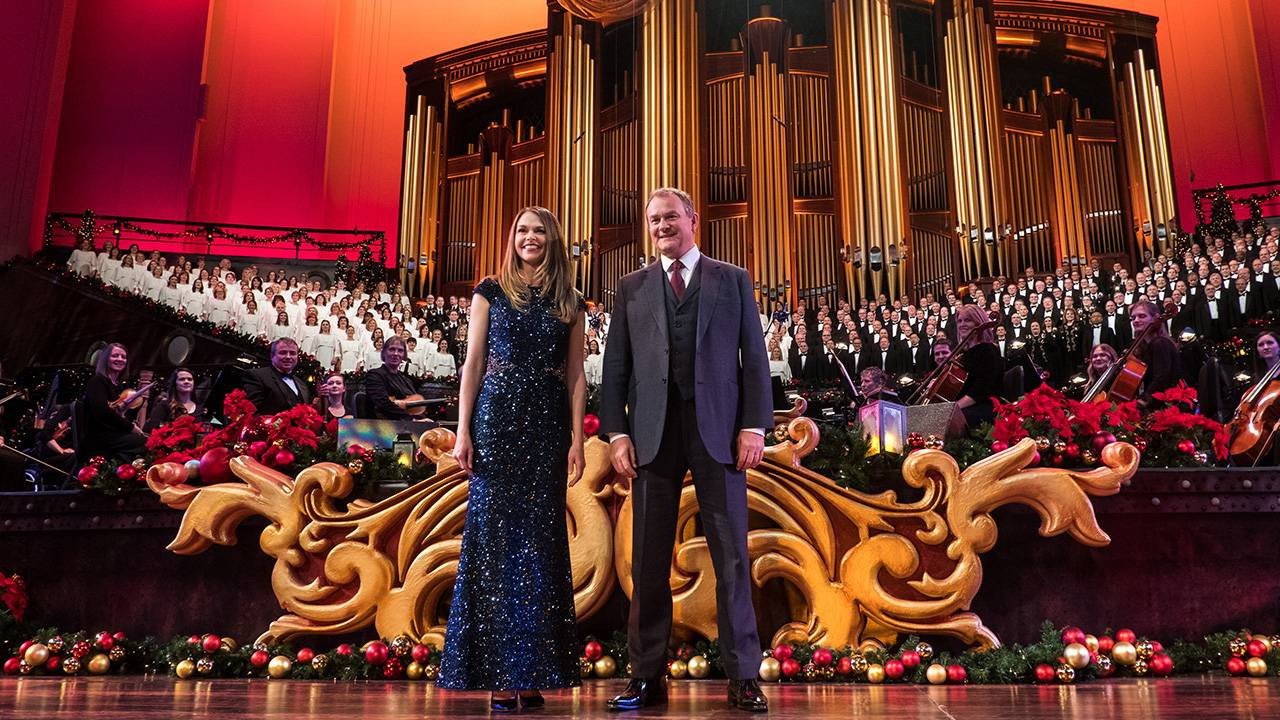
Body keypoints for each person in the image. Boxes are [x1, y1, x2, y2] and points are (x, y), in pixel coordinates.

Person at [599, 188, 771, 713]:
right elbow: (616, 369)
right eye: (654, 220)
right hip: (651, 434)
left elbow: (754, 360)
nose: (661, 226)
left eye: (670, 217)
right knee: (647, 561)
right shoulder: (629, 287)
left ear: (693, 219)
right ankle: (647, 677)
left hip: (717, 431)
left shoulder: (732, 279)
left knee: (732, 558)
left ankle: (743, 676)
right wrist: (616, 433)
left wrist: (754, 426)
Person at [440, 206, 587, 711]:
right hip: (498, 420)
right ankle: (499, 673)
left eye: (539, 231)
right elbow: (473, 364)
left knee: (541, 546)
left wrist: (576, 439)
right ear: (512, 237)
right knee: (495, 546)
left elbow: (575, 377)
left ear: (553, 240)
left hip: (546, 425)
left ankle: (534, 672)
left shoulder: (570, 299)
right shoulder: (490, 290)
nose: (530, 237)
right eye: (522, 230)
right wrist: (463, 431)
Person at [81, 343, 148, 457]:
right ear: (105, 359)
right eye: (115, 355)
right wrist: (130, 427)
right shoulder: (98, 381)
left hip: (113, 434)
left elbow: (119, 414)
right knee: (146, 444)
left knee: (147, 439)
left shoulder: (118, 387)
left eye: (123, 357)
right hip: (99, 437)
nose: (120, 359)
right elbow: (102, 413)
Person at [951, 304, 1003, 432]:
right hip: (967, 405)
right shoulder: (963, 354)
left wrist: (953, 410)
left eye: (968, 320)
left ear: (978, 322)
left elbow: (980, 392)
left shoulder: (988, 350)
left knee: (946, 422)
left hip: (983, 407)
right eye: (960, 320)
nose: (962, 324)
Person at [1129, 299, 1181, 411]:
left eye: (1142, 316)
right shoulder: (1145, 347)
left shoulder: (1160, 343)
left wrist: (1142, 401)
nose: (1136, 320)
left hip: (1164, 407)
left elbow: (1161, 379)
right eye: (1133, 318)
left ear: (1155, 317)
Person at [242, 338, 312, 415]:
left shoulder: (302, 384)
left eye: (292, 353)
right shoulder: (257, 376)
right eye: (283, 352)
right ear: (272, 356)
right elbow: (251, 412)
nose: (288, 357)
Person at [363, 336, 424, 421]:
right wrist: (412, 419)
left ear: (404, 355)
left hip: (406, 424)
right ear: (384, 352)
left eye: (400, 350)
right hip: (384, 426)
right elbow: (383, 404)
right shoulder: (374, 375)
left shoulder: (406, 379)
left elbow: (415, 406)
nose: (396, 354)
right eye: (392, 349)